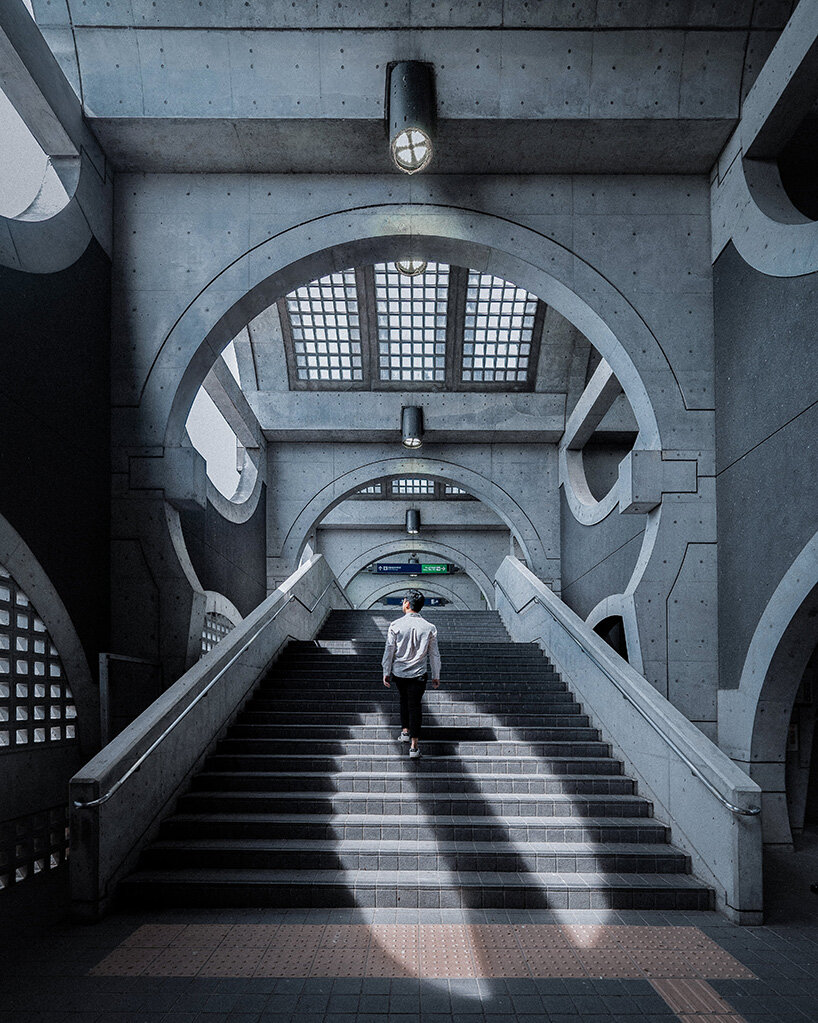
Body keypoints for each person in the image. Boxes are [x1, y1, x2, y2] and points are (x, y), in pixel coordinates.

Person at [382, 589, 441, 758]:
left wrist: (386, 671)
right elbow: (434, 654)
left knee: (403, 700)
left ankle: (405, 731)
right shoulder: (430, 627)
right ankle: (414, 746)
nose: (403, 603)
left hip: (399, 672)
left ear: (407, 603)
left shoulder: (395, 625)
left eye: (403, 601)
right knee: (415, 705)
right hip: (419, 673)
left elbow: (389, 651)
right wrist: (436, 675)